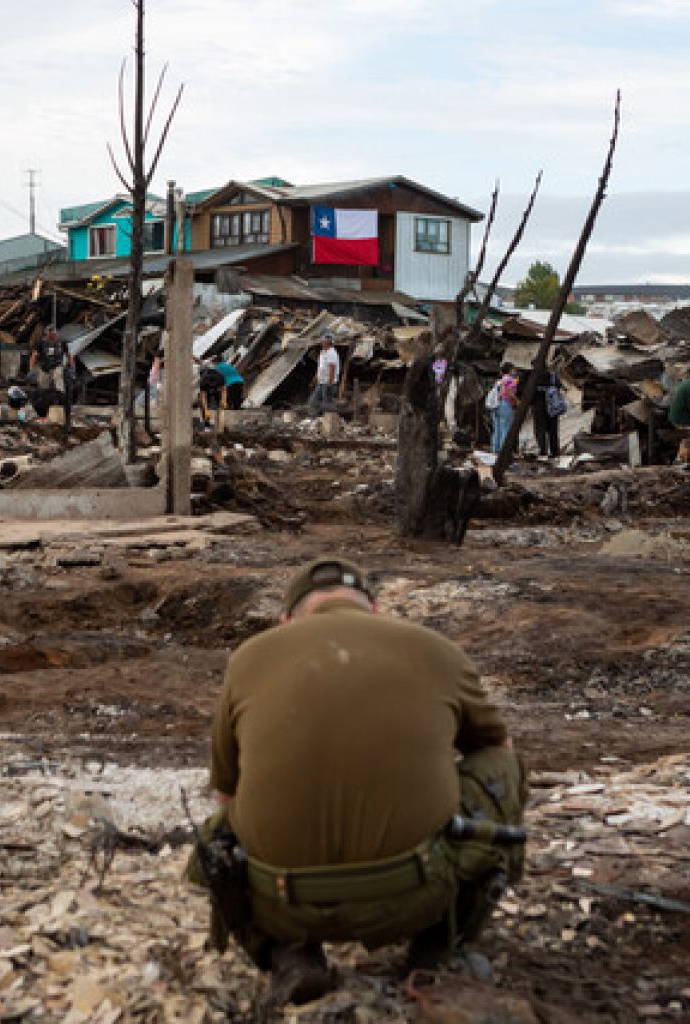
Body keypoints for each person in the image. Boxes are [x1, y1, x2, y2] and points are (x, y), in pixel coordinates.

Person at [191, 557, 526, 1003]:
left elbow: (225, 792)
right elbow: (497, 747)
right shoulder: (434, 648)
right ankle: (437, 950)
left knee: (221, 830)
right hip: (414, 892)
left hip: (280, 903)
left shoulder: (249, 656)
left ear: (287, 619)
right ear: (375, 609)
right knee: (504, 768)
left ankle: (288, 955)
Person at [29, 325, 75, 426]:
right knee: (43, 389)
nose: (52, 336)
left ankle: (60, 406)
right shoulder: (41, 343)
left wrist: (71, 366)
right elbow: (34, 356)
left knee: (58, 380)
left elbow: (69, 355)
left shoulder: (62, 342)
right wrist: (32, 369)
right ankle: (43, 413)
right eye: (49, 334)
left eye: (53, 334)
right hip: (44, 368)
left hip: (57, 366)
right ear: (47, 334)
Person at [532, 365, 563, 458]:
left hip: (539, 407)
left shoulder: (533, 377)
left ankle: (543, 451)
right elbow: (559, 386)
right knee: (553, 430)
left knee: (540, 430)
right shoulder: (552, 376)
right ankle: (555, 452)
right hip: (553, 407)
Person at [308, 335, 340, 415]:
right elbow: (320, 368)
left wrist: (329, 383)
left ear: (328, 343)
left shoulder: (332, 353)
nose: (321, 343)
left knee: (327, 405)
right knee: (313, 401)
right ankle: (314, 419)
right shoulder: (322, 353)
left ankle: (330, 421)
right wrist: (315, 379)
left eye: (323, 341)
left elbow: (332, 369)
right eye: (322, 341)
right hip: (321, 383)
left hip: (328, 384)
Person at [490, 363, 518, 453]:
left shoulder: (499, 381)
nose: (514, 371)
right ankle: (503, 451)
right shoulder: (510, 380)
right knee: (505, 427)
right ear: (510, 370)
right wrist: (517, 402)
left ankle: (495, 449)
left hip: (496, 405)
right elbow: (510, 394)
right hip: (505, 404)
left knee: (497, 428)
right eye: (513, 369)